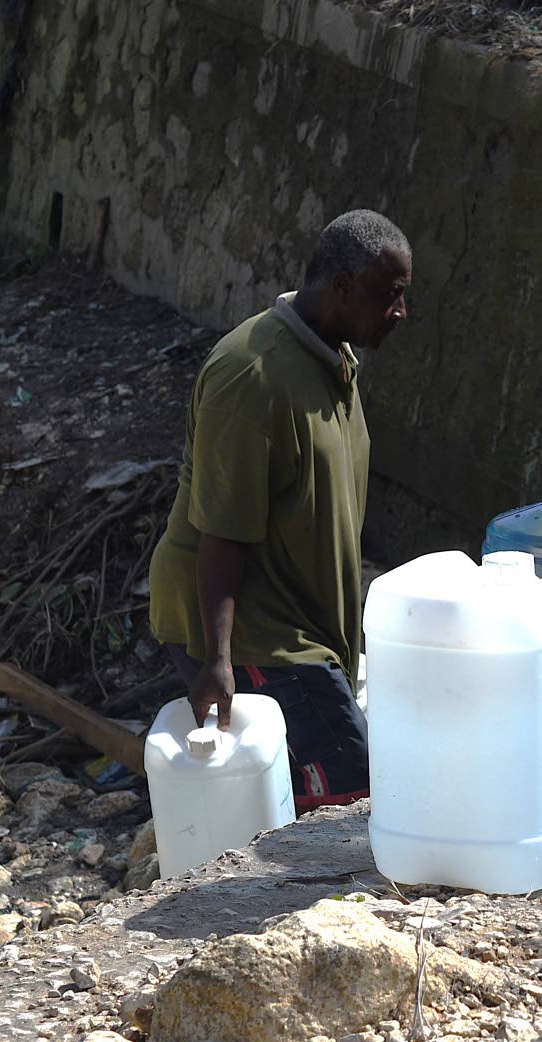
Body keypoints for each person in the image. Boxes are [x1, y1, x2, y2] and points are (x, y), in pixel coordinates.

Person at [149, 209, 411, 812]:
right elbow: (221, 532)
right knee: (351, 789)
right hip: (252, 630)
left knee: (306, 791)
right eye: (390, 296)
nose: (400, 313)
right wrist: (217, 662)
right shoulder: (252, 375)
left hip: (303, 618)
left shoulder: (333, 359)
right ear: (343, 286)